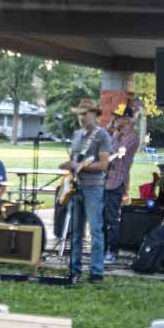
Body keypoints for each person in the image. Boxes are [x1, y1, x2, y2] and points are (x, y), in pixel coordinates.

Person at [60, 101, 114, 282]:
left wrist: (79, 166)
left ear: (94, 114)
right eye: (79, 114)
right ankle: (74, 268)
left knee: (96, 230)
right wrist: (70, 165)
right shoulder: (76, 135)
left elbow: (104, 164)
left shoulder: (102, 135)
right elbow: (76, 160)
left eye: (85, 113)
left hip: (94, 188)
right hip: (76, 186)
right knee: (76, 231)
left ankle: (96, 272)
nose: (82, 117)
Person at [102, 105, 139, 263]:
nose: (116, 119)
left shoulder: (131, 138)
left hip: (116, 182)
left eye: (119, 117)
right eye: (116, 117)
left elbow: (116, 154)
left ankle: (113, 251)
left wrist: (113, 132)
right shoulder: (116, 135)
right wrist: (109, 130)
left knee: (112, 219)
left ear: (128, 120)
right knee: (101, 218)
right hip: (105, 180)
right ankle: (101, 249)